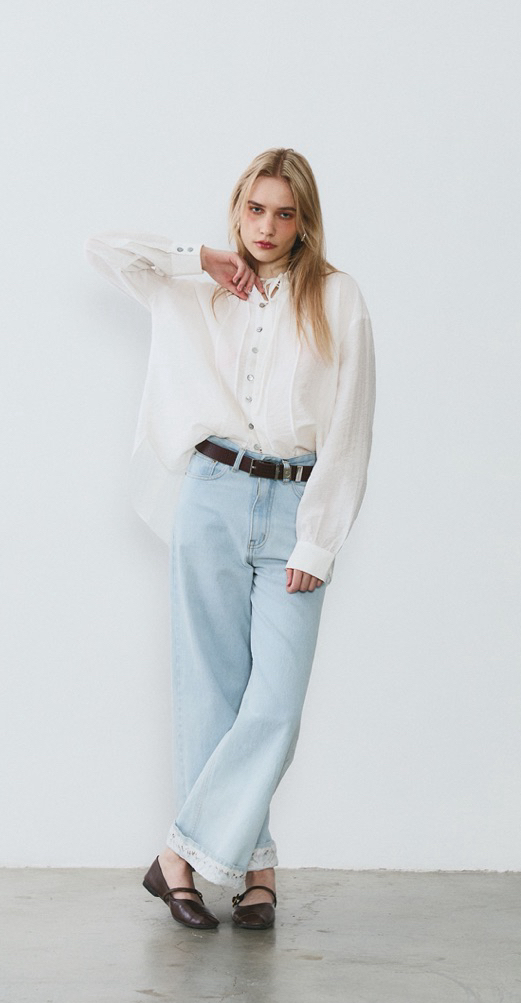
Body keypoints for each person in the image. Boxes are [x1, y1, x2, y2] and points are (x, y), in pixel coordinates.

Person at [85, 147, 375, 930]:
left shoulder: (337, 297)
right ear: (238, 209)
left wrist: (318, 541)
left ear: (305, 221)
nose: (267, 226)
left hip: (294, 506)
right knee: (209, 695)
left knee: (273, 706)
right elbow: (103, 248)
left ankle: (177, 856)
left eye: (284, 213)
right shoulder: (196, 286)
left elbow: (351, 428)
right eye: (255, 208)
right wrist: (200, 257)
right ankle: (256, 868)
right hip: (211, 495)